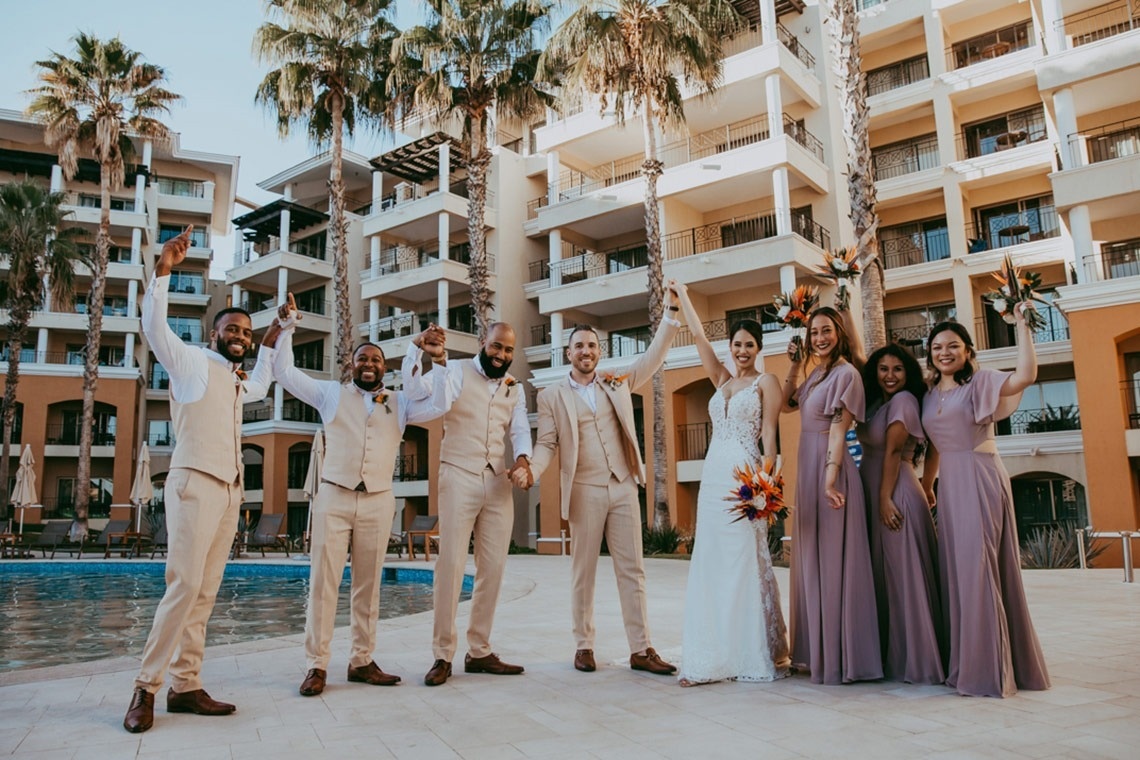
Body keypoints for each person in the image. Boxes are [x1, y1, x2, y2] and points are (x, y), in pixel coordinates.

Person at [125, 227, 277, 733]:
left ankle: (185, 685)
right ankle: (145, 688)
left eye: (246, 334)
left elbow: (260, 382)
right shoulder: (191, 363)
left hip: (229, 491)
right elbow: (155, 330)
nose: (241, 338)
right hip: (193, 484)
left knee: (206, 592)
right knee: (184, 585)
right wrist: (164, 270)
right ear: (215, 335)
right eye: (233, 331)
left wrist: (277, 339)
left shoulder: (236, 379)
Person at [271, 303, 451, 698]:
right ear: (350, 365)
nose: (369, 364)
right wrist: (286, 329)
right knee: (324, 584)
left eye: (376, 359)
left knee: (368, 586)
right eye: (362, 359)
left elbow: (440, 403)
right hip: (334, 496)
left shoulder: (400, 402)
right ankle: (316, 665)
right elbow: (283, 372)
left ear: (385, 368)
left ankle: (362, 661)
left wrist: (435, 359)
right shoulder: (330, 394)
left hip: (377, 500)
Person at [527, 287, 682, 676]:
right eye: (579, 345)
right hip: (583, 489)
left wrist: (671, 315)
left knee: (633, 569)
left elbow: (652, 359)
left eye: (592, 346)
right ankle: (584, 645)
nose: (586, 351)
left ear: (600, 351)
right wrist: (531, 469)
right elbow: (546, 444)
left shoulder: (616, 382)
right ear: (569, 353)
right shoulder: (551, 397)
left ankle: (641, 648)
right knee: (584, 571)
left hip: (623, 485)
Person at [920, 310, 1050, 697]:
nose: (945, 353)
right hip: (951, 484)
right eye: (938, 347)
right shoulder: (928, 394)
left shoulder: (979, 381)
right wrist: (928, 486)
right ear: (930, 354)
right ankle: (968, 661)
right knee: (960, 571)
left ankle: (988, 671)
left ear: (967, 350)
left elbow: (1025, 376)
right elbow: (933, 448)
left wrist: (1023, 325)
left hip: (980, 474)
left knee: (980, 568)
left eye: (953, 346)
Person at [401, 322, 532, 686]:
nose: (501, 355)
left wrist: (523, 460)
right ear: (482, 343)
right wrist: (420, 352)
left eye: (508, 350)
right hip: (458, 474)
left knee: (493, 568)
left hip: (497, 480)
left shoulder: (514, 387)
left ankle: (480, 651)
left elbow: (519, 429)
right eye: (496, 347)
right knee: (452, 565)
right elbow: (413, 391)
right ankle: (443, 654)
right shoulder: (454, 370)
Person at [673, 283, 790, 685]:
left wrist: (764, 487)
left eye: (750, 346)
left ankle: (747, 652)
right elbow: (700, 338)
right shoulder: (720, 379)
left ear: (759, 349)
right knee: (711, 561)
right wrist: (684, 295)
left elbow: (771, 438)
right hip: (712, 477)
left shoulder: (766, 383)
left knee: (742, 563)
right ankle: (710, 654)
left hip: (745, 479)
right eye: (738, 344)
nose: (742, 351)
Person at [781, 306, 881, 685]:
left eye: (826, 330)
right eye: (814, 332)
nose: (819, 338)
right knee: (810, 560)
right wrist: (795, 364)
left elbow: (839, 431)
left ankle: (841, 655)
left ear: (839, 332)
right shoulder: (816, 374)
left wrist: (829, 479)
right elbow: (787, 405)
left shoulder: (847, 375)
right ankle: (812, 652)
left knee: (836, 563)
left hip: (829, 470)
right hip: (807, 470)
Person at [857, 343, 945, 684]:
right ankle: (891, 657)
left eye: (897, 369)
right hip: (880, 489)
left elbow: (893, 451)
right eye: (883, 369)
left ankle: (917, 660)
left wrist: (887, 496)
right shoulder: (878, 401)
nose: (889, 375)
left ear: (908, 373)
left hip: (894, 493)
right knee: (887, 578)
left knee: (903, 577)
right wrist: (929, 484)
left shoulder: (905, 401)